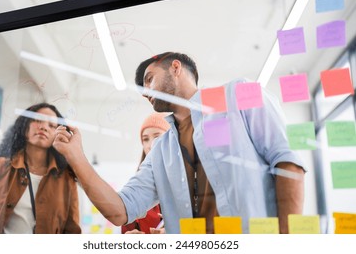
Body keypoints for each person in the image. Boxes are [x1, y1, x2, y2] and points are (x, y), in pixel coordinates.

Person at [54, 52, 305, 234]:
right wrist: (76, 157)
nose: (145, 92)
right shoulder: (162, 151)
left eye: (149, 79)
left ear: (175, 68)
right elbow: (120, 211)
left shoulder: (237, 94)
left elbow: (287, 164)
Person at [0, 102, 81, 234]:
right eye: (37, 120)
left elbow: (72, 233)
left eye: (52, 125)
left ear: (57, 135)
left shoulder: (66, 180)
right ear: (24, 127)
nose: (44, 127)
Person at [121, 112, 170, 234]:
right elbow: (126, 227)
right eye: (145, 139)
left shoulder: (188, 183)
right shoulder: (137, 190)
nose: (150, 145)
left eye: (157, 137)